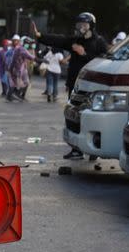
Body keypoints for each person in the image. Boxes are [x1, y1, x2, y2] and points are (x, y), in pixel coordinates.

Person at [32, 13, 108, 159]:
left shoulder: (99, 42)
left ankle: (94, 149)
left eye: (84, 25)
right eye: (79, 25)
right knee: (72, 118)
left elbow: (104, 62)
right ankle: (76, 149)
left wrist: (84, 54)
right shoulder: (75, 41)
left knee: (91, 118)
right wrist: (40, 35)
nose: (81, 28)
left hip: (93, 88)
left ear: (91, 26)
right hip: (75, 86)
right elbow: (59, 40)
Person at [9, 34, 35, 101]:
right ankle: (13, 95)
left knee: (25, 83)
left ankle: (19, 95)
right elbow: (31, 57)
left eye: (17, 41)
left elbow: (30, 57)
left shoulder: (25, 49)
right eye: (15, 41)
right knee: (15, 83)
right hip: (17, 69)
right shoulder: (18, 49)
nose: (16, 42)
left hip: (24, 68)